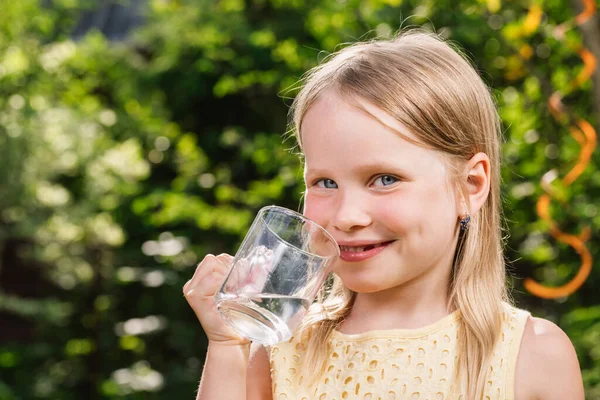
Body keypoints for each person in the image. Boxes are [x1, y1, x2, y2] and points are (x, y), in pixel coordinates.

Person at [183, 29, 585, 399]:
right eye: (324, 182)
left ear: (471, 186)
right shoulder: (279, 352)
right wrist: (225, 346)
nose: (347, 216)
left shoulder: (532, 356)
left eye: (384, 179)